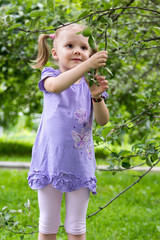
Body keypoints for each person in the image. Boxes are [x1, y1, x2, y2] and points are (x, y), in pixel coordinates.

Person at [28, 23, 109, 240]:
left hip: (79, 163)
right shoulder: (50, 75)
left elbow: (102, 120)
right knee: (48, 224)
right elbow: (56, 87)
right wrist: (88, 65)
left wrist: (97, 96)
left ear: (90, 53)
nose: (77, 51)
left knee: (76, 226)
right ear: (55, 53)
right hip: (50, 162)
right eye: (70, 45)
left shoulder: (90, 84)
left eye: (84, 48)